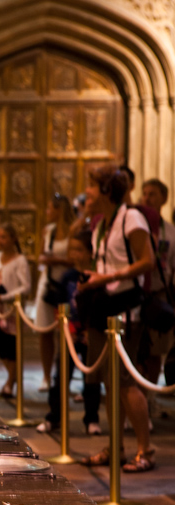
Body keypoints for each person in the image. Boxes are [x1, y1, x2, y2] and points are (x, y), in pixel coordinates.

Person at [77, 164, 155, 472]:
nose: (87, 192)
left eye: (93, 186)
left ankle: (145, 450)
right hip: (103, 305)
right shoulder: (102, 223)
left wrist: (110, 275)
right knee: (111, 382)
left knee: (125, 382)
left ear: (108, 190)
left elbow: (148, 261)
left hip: (125, 309)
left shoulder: (131, 218)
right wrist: (94, 278)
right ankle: (117, 446)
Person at [36, 230, 101, 434]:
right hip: (69, 333)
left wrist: (90, 331)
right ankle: (54, 417)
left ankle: (92, 419)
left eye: (79, 250)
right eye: (72, 249)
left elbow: (98, 305)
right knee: (61, 377)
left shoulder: (96, 276)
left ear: (91, 252)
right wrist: (68, 329)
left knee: (91, 379)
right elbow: (60, 304)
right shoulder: (67, 277)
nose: (75, 254)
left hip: (90, 333)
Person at [0, 222, 31, 398]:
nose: (0, 241)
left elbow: (25, 287)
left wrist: (5, 296)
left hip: (11, 308)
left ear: (13, 239)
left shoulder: (20, 260)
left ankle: (10, 383)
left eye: (4, 237)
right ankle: (12, 379)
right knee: (1, 347)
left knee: (12, 349)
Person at [33, 194, 74, 391]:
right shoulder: (47, 231)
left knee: (67, 332)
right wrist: (44, 259)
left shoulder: (72, 231)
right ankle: (47, 375)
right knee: (45, 331)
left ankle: (65, 376)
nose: (47, 212)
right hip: (48, 283)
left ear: (59, 210)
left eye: (50, 208)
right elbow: (38, 255)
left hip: (67, 284)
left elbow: (77, 257)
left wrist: (58, 261)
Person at [138, 178, 175, 386]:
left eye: (152, 194)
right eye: (144, 193)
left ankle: (150, 395)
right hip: (136, 295)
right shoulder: (136, 226)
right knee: (134, 351)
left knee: (154, 352)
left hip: (158, 295)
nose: (147, 198)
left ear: (164, 198)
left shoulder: (170, 232)